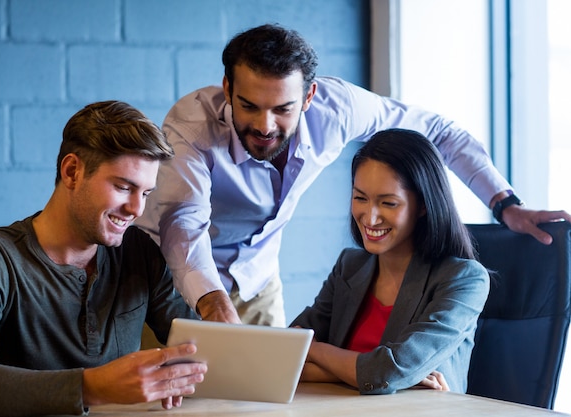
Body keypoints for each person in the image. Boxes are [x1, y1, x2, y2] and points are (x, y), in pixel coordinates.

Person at [135, 24, 570, 327]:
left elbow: (436, 130)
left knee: (264, 399)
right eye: (249, 105)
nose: (265, 126)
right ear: (227, 88)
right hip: (170, 280)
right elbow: (182, 226)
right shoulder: (192, 127)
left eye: (282, 109)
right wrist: (211, 302)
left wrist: (504, 203)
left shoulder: (337, 109)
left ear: (309, 96)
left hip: (256, 279)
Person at [0, 101, 207, 417]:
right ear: (72, 172)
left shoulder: (138, 251)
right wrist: (91, 387)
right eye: (124, 187)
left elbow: (199, 349)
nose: (137, 209)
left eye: (146, 194)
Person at [290, 128, 490, 394]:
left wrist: (313, 349)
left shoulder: (464, 279)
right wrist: (376, 377)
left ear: (423, 205)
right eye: (360, 198)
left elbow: (387, 371)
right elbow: (288, 353)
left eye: (388, 203)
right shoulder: (350, 266)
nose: (370, 218)